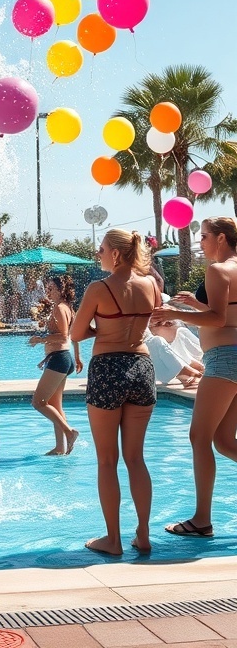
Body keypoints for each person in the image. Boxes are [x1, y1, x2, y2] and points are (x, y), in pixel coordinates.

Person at [71, 228, 159, 556]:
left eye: (102, 248)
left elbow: (76, 332)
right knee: (136, 458)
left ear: (116, 254)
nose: (98, 253)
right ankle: (144, 534)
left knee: (107, 460)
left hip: (108, 367)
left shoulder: (99, 288)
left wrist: (102, 327)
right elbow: (155, 319)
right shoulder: (151, 284)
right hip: (142, 368)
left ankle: (113, 540)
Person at [153, 216, 237, 538]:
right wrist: (197, 305)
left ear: (220, 238)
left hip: (224, 361)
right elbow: (228, 313)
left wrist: (173, 312)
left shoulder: (217, 270)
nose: (199, 243)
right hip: (234, 358)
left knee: (199, 438)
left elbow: (217, 319)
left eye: (203, 237)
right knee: (224, 440)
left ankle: (202, 521)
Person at [28, 274, 82, 455]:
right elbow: (74, 336)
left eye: (51, 288)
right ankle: (60, 447)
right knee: (56, 406)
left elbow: (62, 335)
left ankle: (69, 432)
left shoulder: (59, 308)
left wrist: (40, 338)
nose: (48, 292)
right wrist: (77, 356)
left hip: (59, 359)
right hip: (63, 357)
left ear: (61, 290)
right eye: (47, 288)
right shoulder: (67, 307)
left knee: (38, 402)